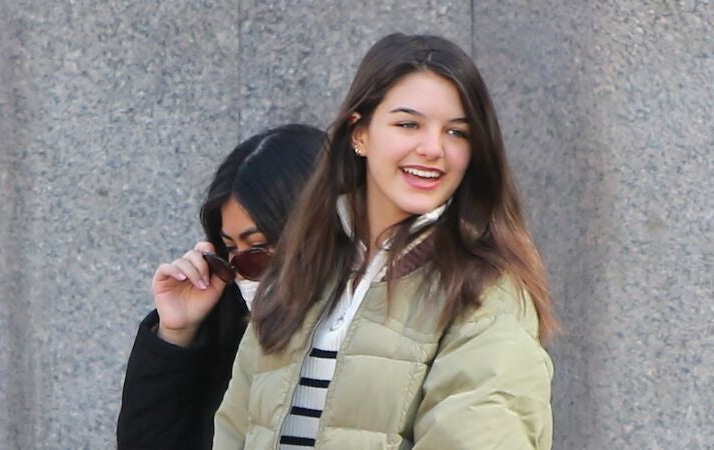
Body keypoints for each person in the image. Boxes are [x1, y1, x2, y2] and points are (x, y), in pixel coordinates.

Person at [214, 33, 559, 450]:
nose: (433, 148)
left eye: (457, 132)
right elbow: (235, 430)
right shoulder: (301, 270)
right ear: (359, 133)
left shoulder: (484, 291)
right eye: (408, 124)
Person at [116, 124, 325, 450]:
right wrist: (177, 333)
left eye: (258, 248)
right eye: (229, 251)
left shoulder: (374, 333)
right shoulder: (233, 336)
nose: (242, 274)